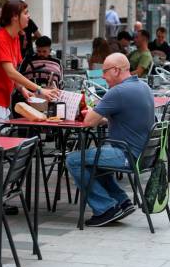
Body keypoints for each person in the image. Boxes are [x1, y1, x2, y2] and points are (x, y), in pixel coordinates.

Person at [66, 53, 155, 226]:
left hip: (127, 155)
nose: (102, 76)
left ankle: (105, 208)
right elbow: (127, 117)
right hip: (144, 155)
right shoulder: (143, 86)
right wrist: (104, 117)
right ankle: (121, 201)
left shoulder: (118, 92)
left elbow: (89, 122)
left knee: (74, 160)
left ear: (116, 70)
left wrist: (92, 114)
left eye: (105, 71)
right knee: (96, 157)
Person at [0, 0, 59, 135]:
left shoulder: (15, 37)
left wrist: (21, 88)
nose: (29, 16)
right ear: (14, 16)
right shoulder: (0, 39)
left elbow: (12, 71)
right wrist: (39, 89)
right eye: (26, 13)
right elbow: (10, 72)